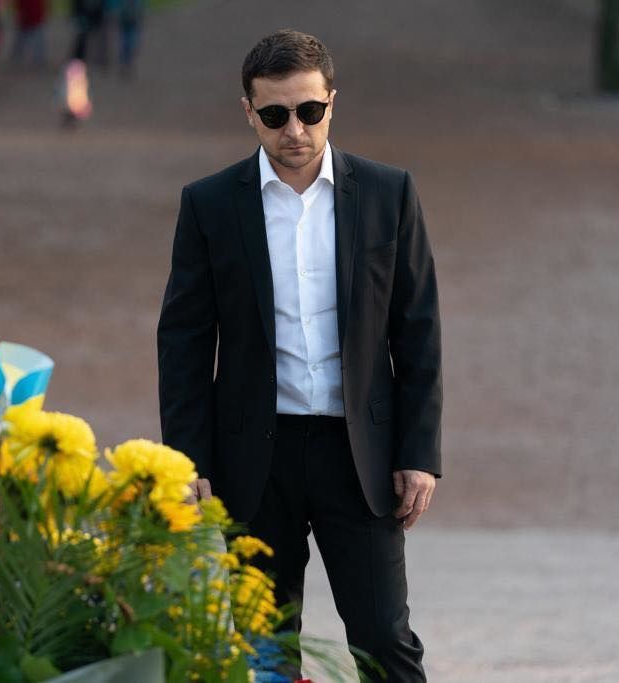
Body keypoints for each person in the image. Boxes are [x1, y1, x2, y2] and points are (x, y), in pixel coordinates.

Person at [157, 29, 442, 682]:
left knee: (384, 638)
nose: (295, 130)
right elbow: (184, 340)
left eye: (310, 110)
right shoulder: (209, 204)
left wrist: (419, 452)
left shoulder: (388, 193)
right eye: (275, 114)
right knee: (266, 648)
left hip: (358, 455)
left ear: (332, 103)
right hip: (255, 458)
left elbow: (418, 329)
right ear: (248, 112)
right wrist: (189, 457)